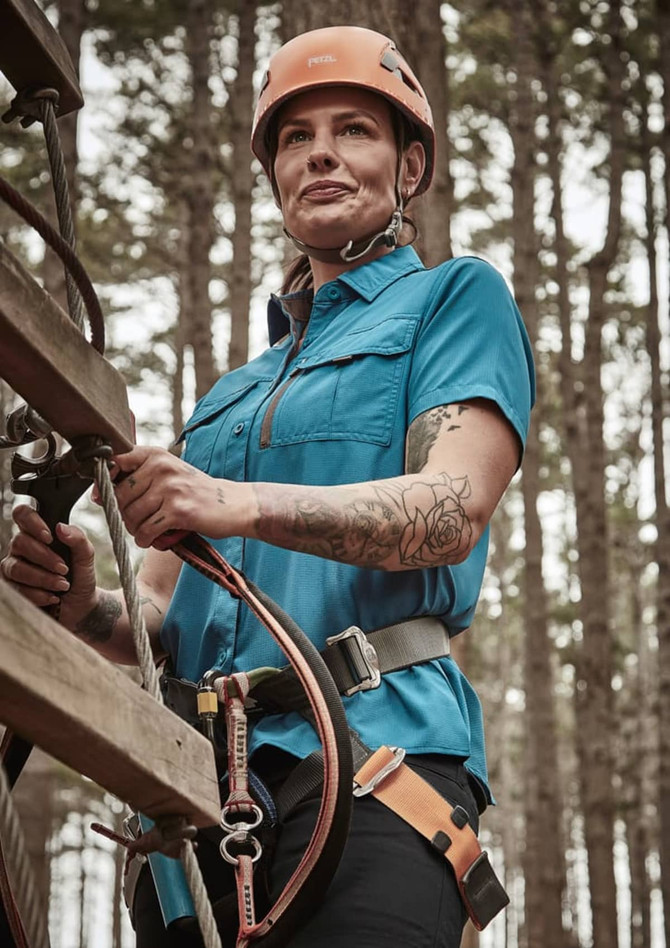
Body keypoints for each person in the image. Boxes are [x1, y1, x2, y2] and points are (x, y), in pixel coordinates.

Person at [1, 26, 534, 948]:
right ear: (278, 176)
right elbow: (160, 618)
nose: (320, 151)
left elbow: (453, 510)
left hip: (379, 759)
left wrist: (235, 503)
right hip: (200, 786)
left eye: (354, 129)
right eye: (295, 137)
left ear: (409, 166)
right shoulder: (231, 396)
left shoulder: (454, 301)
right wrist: (88, 610)